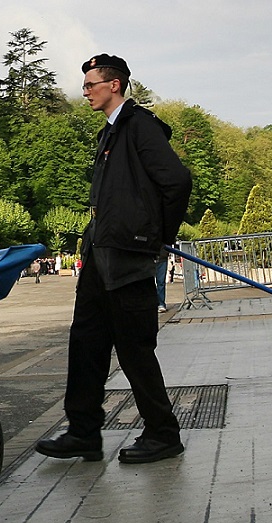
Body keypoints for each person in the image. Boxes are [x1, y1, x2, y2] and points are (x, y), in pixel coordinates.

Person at [36, 54, 192, 466]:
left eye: (91, 84)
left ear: (115, 85)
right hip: (100, 255)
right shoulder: (111, 133)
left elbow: (176, 181)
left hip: (127, 255)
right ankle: (83, 432)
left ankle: (163, 434)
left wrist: (159, 237)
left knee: (134, 348)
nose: (85, 91)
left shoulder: (139, 126)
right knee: (85, 344)